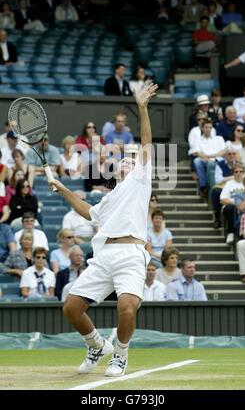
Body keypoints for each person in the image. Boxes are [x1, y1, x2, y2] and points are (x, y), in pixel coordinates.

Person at [48, 82, 158, 377]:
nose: (127, 161)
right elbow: (87, 211)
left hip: (131, 254)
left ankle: (120, 355)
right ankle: (96, 345)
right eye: (123, 160)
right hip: (103, 256)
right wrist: (62, 190)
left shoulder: (140, 180)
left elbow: (146, 144)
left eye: (131, 159)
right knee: (71, 307)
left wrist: (142, 107)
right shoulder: (109, 198)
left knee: (126, 307)